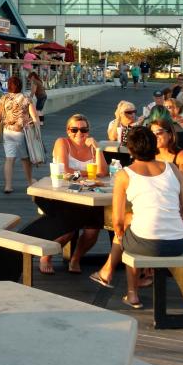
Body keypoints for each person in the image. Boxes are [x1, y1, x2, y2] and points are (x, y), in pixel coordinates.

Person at [91, 127, 183, 308]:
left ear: (130, 150)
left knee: (127, 229)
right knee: (133, 221)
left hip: (146, 243)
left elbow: (117, 222)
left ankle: (132, 293)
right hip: (177, 242)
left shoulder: (124, 175)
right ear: (154, 145)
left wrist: (121, 233)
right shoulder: (171, 168)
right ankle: (109, 272)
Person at [48, 114, 108, 274]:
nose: (79, 133)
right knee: (68, 231)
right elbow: (65, 169)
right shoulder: (63, 143)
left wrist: (98, 148)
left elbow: (103, 171)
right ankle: (45, 257)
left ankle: (76, 258)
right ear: (68, 131)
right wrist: (90, 174)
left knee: (92, 231)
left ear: (88, 131)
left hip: (88, 197)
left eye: (84, 130)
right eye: (74, 129)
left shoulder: (91, 146)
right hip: (64, 194)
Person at [0, 76, 41, 193]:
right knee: (25, 159)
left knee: (9, 159)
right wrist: (37, 131)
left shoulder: (3, 98)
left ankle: (8, 186)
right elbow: (34, 116)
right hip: (22, 132)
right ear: (20, 85)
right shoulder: (26, 98)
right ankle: (30, 181)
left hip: (7, 131)